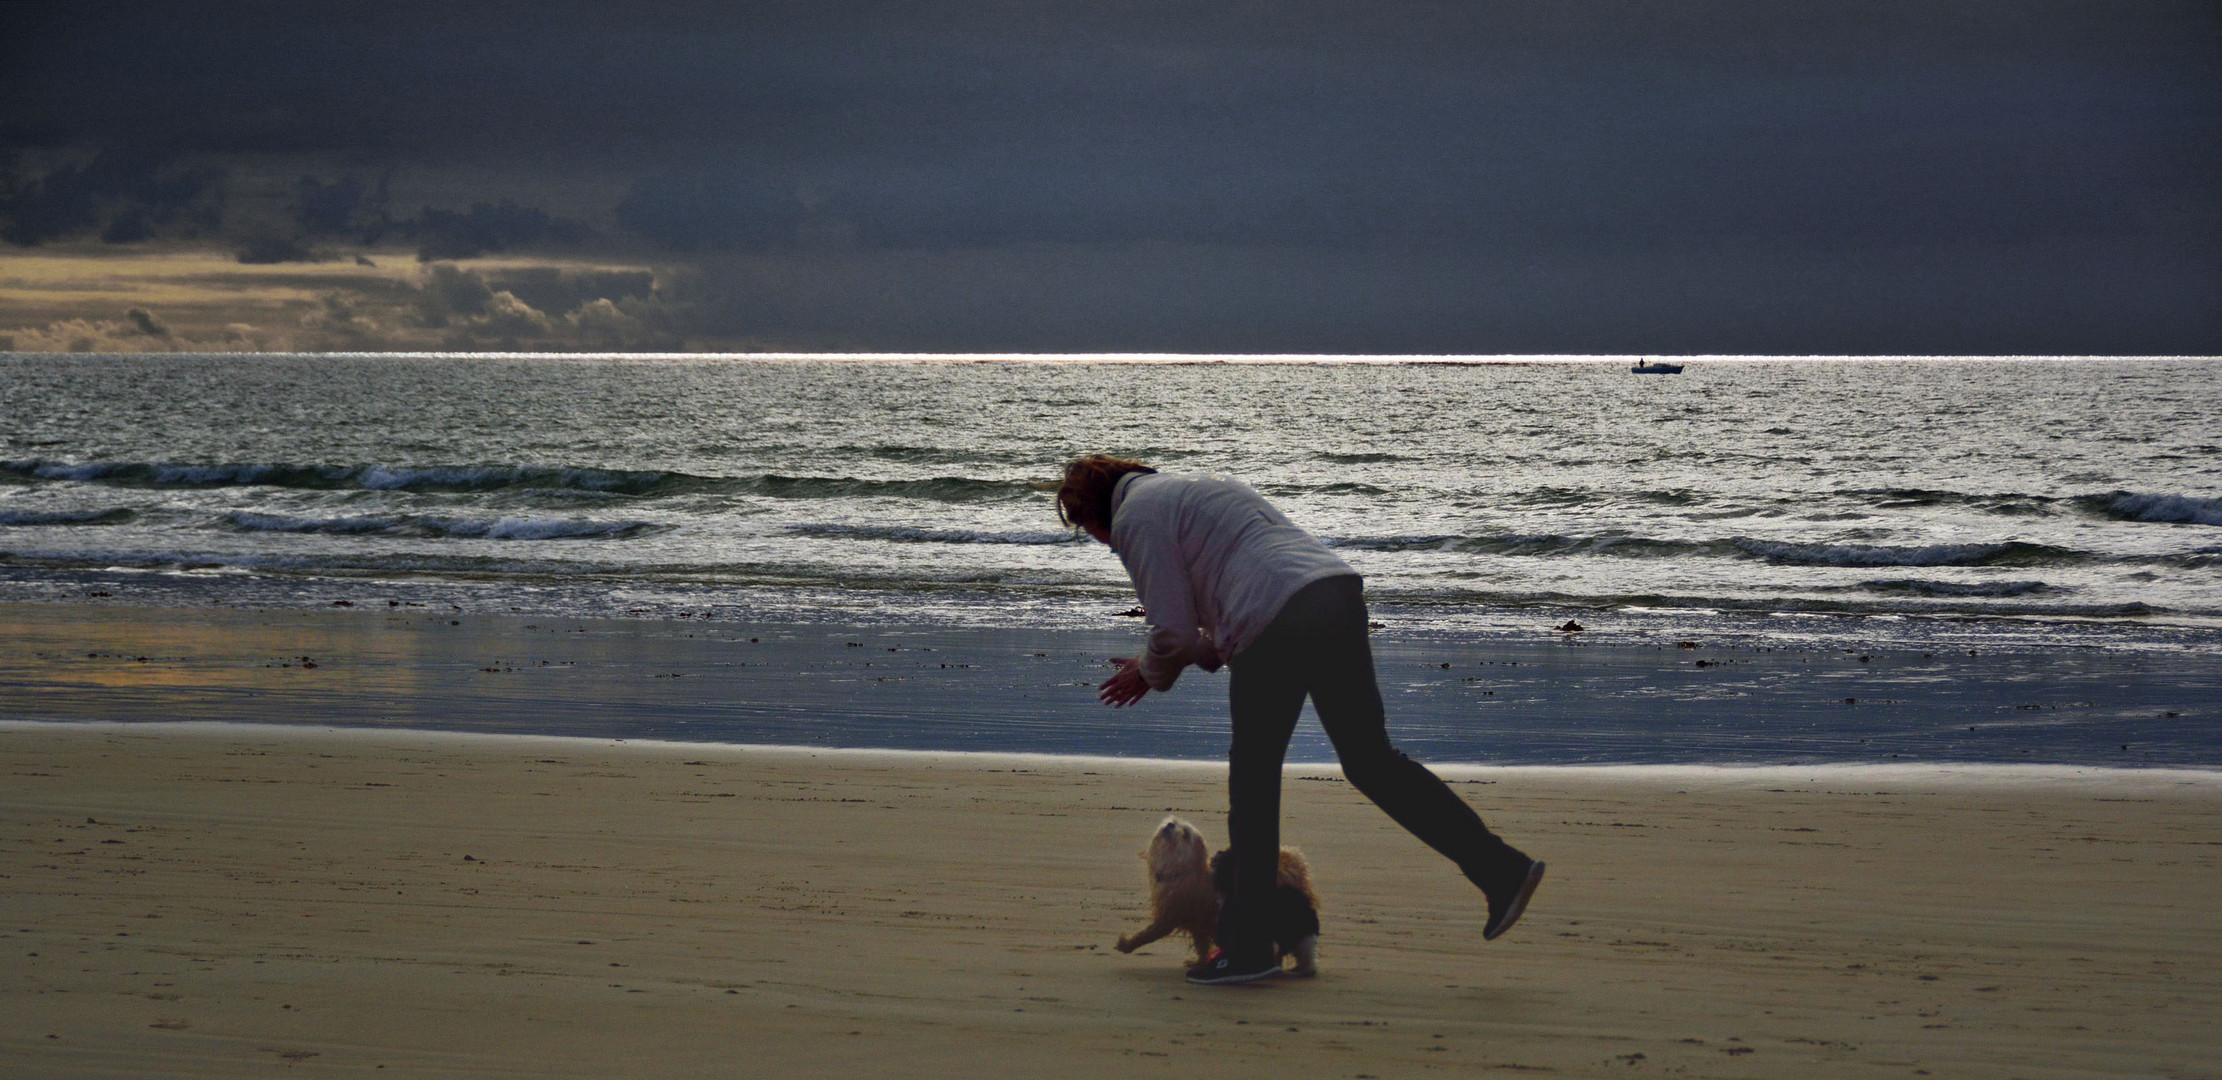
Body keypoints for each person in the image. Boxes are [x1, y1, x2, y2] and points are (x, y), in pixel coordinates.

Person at [1058, 454, 1545, 985]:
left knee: (1254, 780)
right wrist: (1172, 662)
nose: (1104, 544)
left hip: (1278, 618)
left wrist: (1149, 672)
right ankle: (1501, 870)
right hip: (1333, 594)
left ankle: (1248, 948)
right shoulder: (1193, 489)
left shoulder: (1136, 519)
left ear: (1097, 514)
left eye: (1091, 532)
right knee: (1371, 760)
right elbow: (1217, 631)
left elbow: (1173, 631)